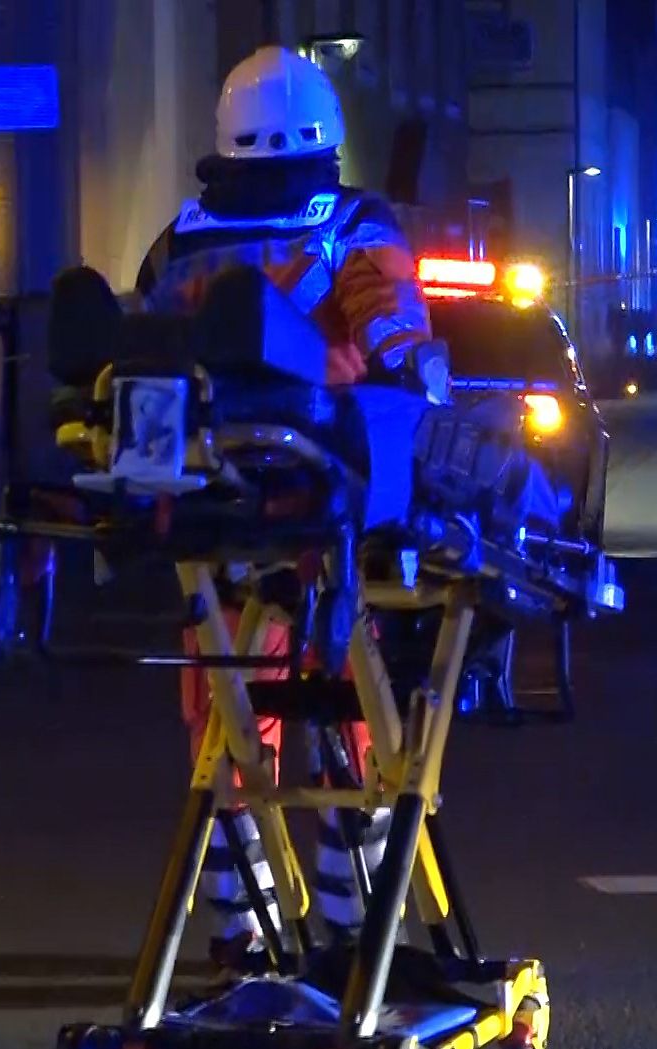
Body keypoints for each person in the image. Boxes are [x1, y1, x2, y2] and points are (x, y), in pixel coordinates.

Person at [133, 45, 433, 973]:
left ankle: (244, 932)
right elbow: (399, 342)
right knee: (354, 721)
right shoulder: (353, 224)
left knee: (224, 723)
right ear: (327, 138)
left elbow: (147, 357)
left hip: (213, 509)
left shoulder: (177, 240)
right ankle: (349, 932)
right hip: (326, 517)